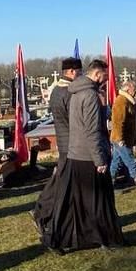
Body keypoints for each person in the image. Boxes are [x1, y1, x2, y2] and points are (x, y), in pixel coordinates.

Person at [43, 60, 125, 252]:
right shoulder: (90, 96)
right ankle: (106, 238)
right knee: (99, 201)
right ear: (97, 74)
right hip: (89, 156)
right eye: (105, 75)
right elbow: (92, 130)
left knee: (76, 203)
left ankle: (58, 239)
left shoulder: (76, 93)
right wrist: (99, 159)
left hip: (76, 153)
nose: (106, 79)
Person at [31, 57, 82, 242]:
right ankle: (44, 212)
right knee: (63, 182)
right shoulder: (69, 92)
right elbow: (75, 120)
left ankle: (42, 210)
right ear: (72, 71)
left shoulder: (56, 91)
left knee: (61, 178)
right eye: (79, 72)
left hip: (63, 141)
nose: (81, 75)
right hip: (72, 143)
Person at [108, 80, 136, 188]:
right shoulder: (121, 101)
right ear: (128, 89)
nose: (135, 92)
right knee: (130, 160)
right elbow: (118, 121)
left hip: (124, 138)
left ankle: (109, 182)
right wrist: (119, 138)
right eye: (134, 89)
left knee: (116, 161)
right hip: (120, 139)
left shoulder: (128, 101)